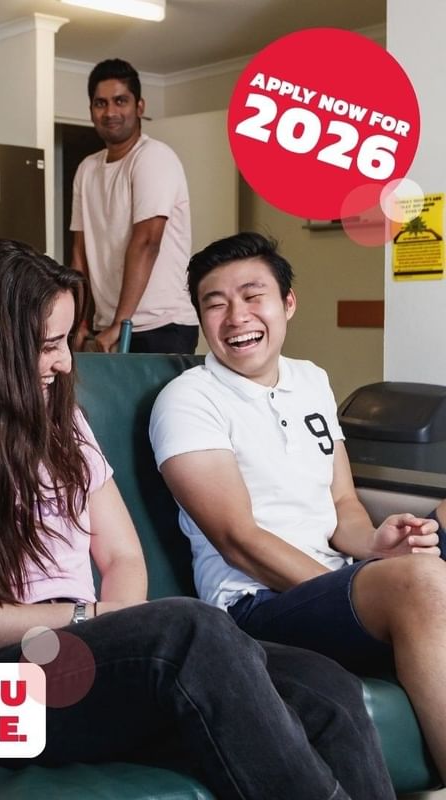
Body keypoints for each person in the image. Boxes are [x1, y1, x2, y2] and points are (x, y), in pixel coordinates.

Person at [0, 237, 394, 799]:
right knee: (190, 629)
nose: (63, 361)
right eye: (47, 344)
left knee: (324, 687)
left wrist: (114, 619)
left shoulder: (60, 421)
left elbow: (122, 554)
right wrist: (90, 616)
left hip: (75, 654)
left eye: (66, 341)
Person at [149, 231, 446, 781]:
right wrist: (365, 588)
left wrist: (376, 545)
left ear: (287, 303)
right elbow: (239, 540)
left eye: (252, 295)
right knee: (423, 581)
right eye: (215, 303)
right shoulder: (189, 399)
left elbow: (341, 502)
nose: (236, 316)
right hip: (256, 606)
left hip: (336, 577)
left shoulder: (311, 380)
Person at [70, 58, 197, 354]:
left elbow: (147, 242)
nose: (110, 112)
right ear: (91, 110)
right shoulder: (87, 169)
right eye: (100, 103)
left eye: (120, 101)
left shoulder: (153, 157)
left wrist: (120, 323)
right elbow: (79, 254)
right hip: (109, 325)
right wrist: (79, 321)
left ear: (139, 107)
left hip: (161, 325)